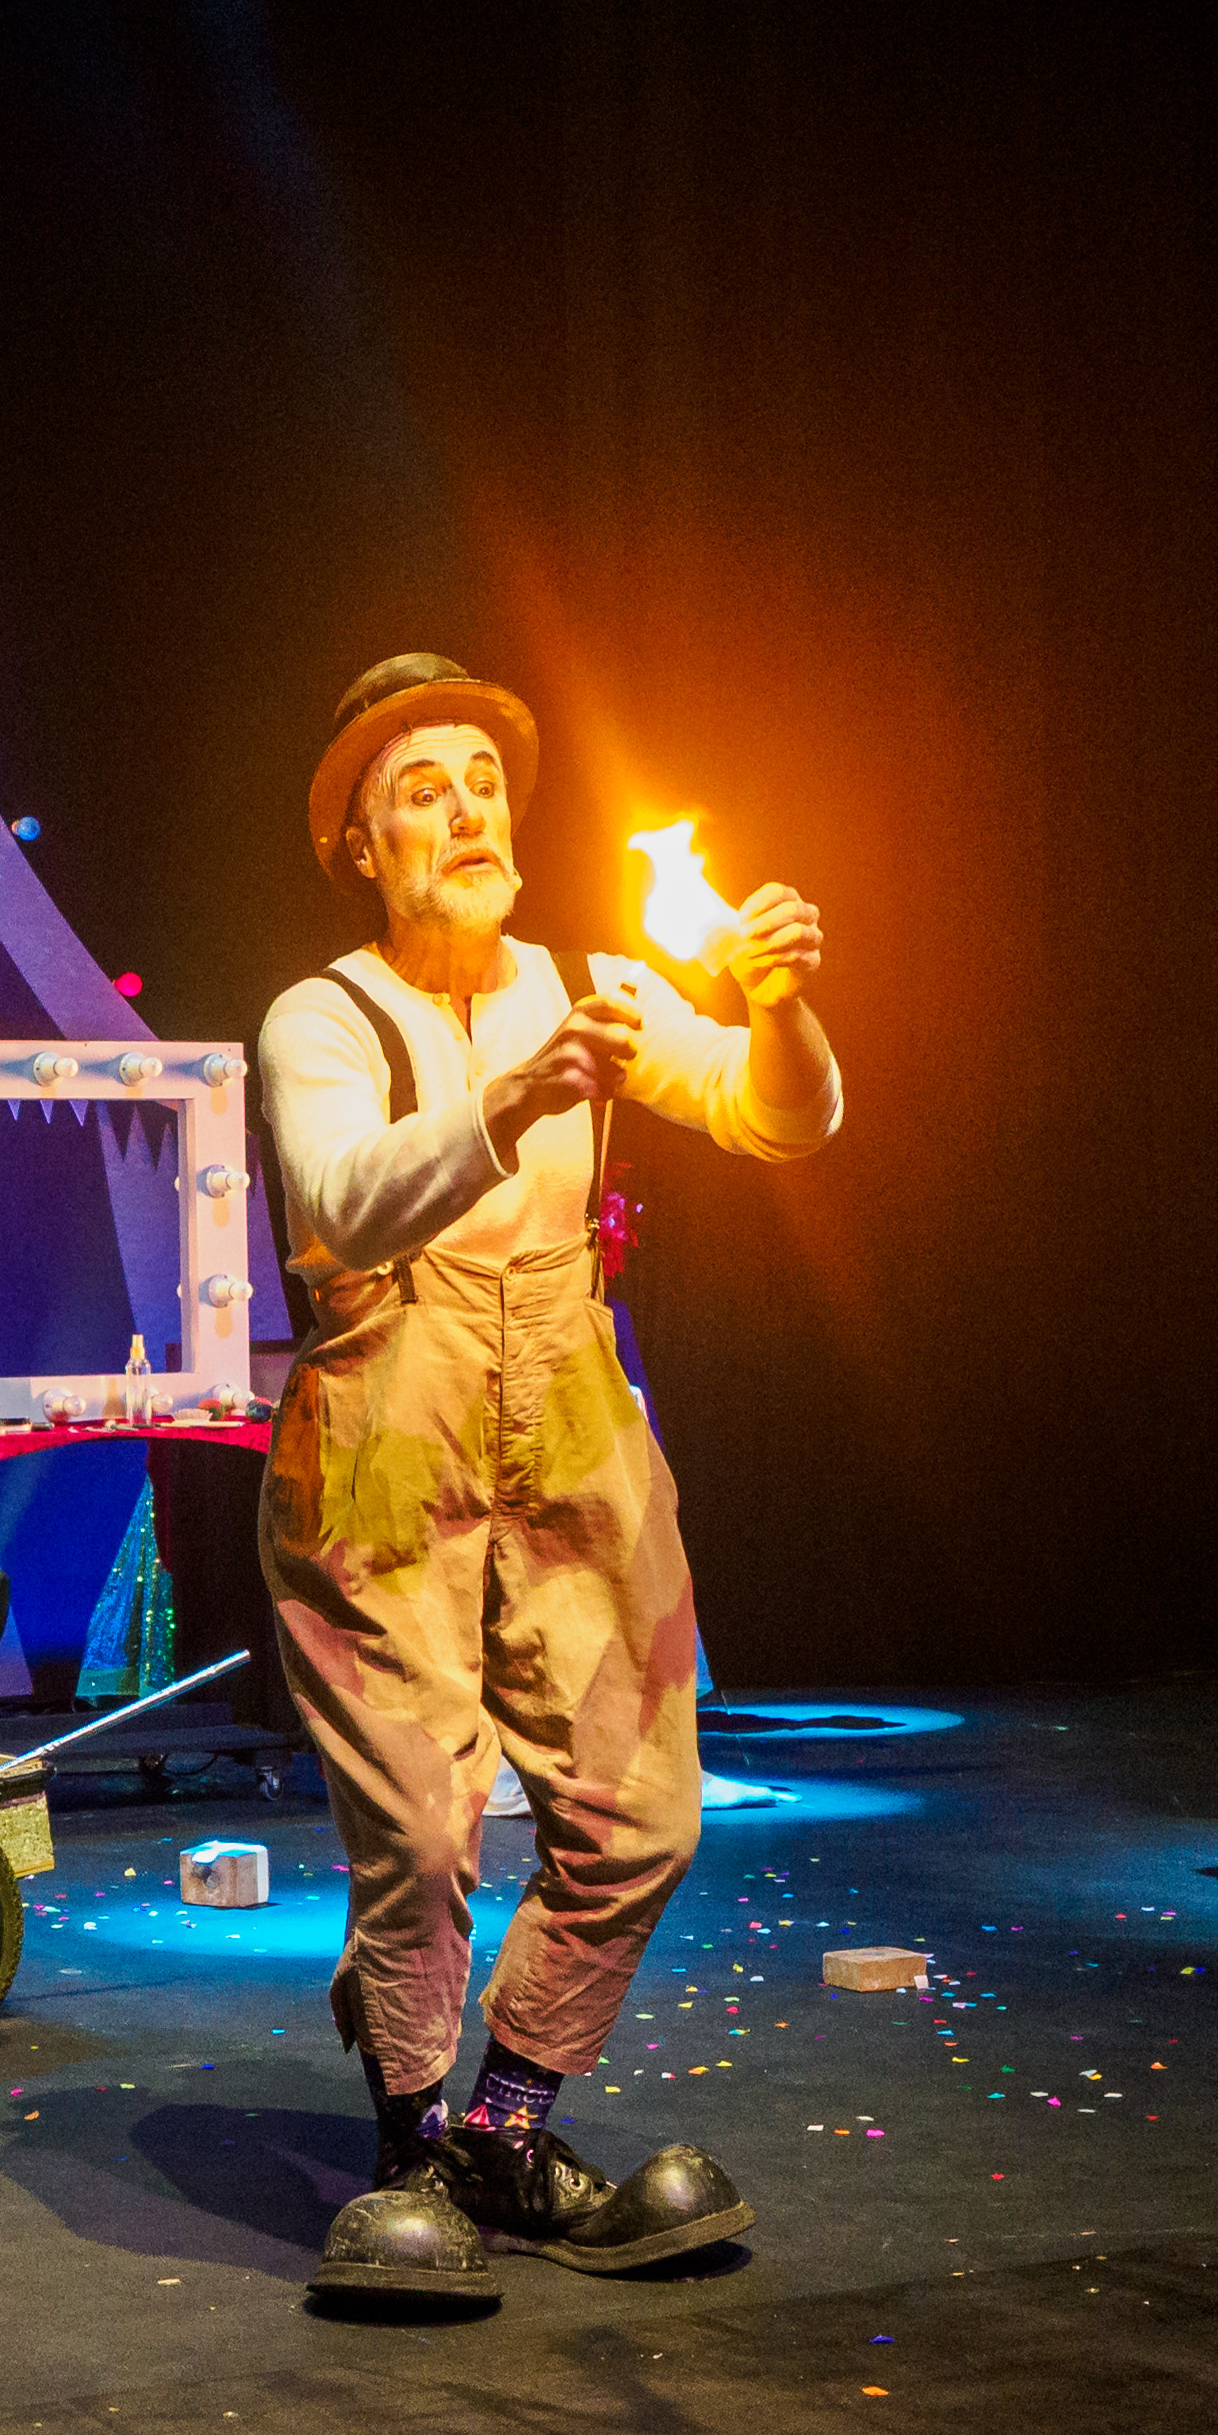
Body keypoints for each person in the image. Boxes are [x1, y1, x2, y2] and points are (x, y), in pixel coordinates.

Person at [257, 653, 842, 2303]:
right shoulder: (323, 1014)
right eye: (420, 789)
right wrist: (516, 1092)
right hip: (389, 1417)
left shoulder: (589, 983)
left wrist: (775, 1005)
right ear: (363, 843)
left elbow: (782, 1121)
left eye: (483, 782)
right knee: (418, 1819)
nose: (464, 810)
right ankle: (406, 2149)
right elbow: (341, 1197)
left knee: (639, 1806)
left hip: (572, 1401)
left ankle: (504, 2126)